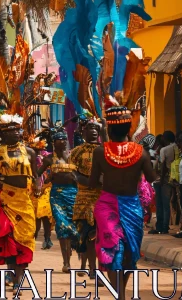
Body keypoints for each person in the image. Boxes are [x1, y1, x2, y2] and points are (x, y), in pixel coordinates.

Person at [89, 99, 156, 299]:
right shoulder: (141, 152)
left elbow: (92, 182)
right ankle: (120, 293)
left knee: (112, 249)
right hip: (132, 205)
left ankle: (119, 293)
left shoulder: (100, 152)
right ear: (130, 128)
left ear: (109, 129)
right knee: (128, 251)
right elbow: (152, 178)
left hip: (106, 204)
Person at [0, 115, 37, 290]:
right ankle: (14, 279)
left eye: (17, 130)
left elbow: (35, 177)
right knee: (8, 239)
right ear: (3, 135)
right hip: (5, 201)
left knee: (25, 239)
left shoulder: (30, 152)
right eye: (11, 131)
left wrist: (38, 190)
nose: (16, 133)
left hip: (25, 201)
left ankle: (19, 278)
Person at [37, 128, 78, 273]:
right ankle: (66, 262)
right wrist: (39, 184)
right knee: (61, 226)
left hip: (74, 194)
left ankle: (73, 248)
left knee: (74, 227)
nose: (62, 142)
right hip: (57, 196)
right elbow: (37, 174)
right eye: (58, 140)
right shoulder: (49, 159)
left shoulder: (74, 156)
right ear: (53, 143)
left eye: (64, 140)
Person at [69, 118, 101, 276]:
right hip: (84, 197)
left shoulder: (104, 150)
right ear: (83, 131)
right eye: (90, 128)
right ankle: (89, 266)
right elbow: (71, 171)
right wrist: (85, 180)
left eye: (96, 128)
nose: (94, 131)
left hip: (103, 196)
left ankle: (97, 268)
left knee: (100, 233)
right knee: (87, 233)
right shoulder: (77, 151)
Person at [150, 131, 177, 235]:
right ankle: (164, 227)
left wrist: (160, 179)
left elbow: (162, 166)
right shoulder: (176, 148)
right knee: (166, 204)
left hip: (161, 180)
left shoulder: (164, 150)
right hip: (171, 179)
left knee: (160, 204)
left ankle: (161, 227)